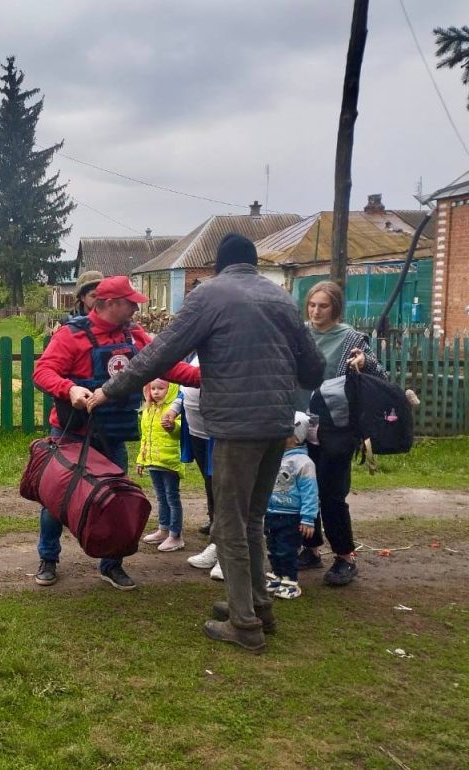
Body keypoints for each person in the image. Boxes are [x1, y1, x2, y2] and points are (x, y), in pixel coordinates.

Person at [87, 234, 323, 652]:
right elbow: (313, 370)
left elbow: (159, 353)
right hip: (276, 426)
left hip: (236, 427)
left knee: (230, 524)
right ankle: (256, 606)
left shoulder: (209, 295)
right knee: (251, 520)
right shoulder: (282, 298)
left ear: (218, 265)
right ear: (254, 264)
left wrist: (108, 390)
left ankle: (244, 625)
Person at [32, 275, 200, 590]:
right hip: (72, 434)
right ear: (109, 303)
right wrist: (69, 389)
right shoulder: (71, 335)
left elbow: (164, 366)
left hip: (112, 434)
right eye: (130, 303)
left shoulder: (135, 336)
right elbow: (42, 371)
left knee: (114, 502)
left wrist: (204, 377)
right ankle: (48, 559)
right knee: (57, 500)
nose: (136, 308)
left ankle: (111, 566)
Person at [297, 280, 387, 587]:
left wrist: (364, 362)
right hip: (301, 423)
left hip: (337, 426)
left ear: (335, 308)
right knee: (302, 489)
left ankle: (345, 557)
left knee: (331, 494)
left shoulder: (351, 338)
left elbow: (380, 375)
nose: (316, 311)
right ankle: (310, 548)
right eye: (312, 305)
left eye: (323, 306)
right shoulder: (300, 334)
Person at [163, 354, 221, 578]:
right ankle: (217, 543)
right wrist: (175, 408)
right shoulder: (196, 351)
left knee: (226, 491)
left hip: (223, 433)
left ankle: (228, 553)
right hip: (198, 434)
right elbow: (184, 388)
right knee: (211, 486)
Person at [265, 412, 318, 600]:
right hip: (272, 512)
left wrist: (308, 518)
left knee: (287, 549)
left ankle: (290, 580)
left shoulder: (304, 463)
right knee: (272, 546)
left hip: (291, 515)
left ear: (296, 438)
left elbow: (310, 492)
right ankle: (277, 574)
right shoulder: (274, 458)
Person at [137, 379, 186, 552]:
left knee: (172, 498)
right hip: (152, 462)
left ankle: (176, 535)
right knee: (160, 497)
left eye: (161, 388)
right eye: (153, 389)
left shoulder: (174, 410)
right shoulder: (148, 410)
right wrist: (141, 460)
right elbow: (145, 437)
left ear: (171, 389)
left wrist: (172, 426)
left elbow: (180, 433)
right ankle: (163, 529)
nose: (156, 392)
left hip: (169, 462)